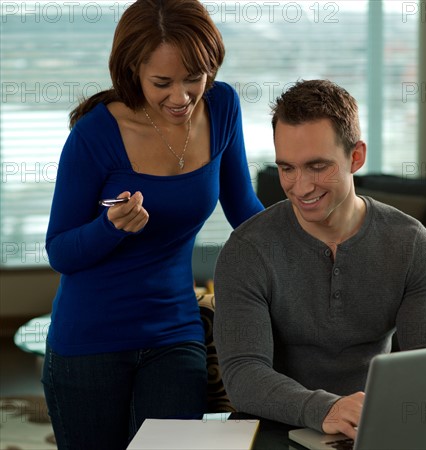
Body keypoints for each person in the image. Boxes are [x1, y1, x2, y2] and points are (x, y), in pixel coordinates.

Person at [42, 1, 264, 448]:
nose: (180, 98)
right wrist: (110, 227)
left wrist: (308, 240)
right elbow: (60, 251)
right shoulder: (94, 135)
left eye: (193, 79)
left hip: (175, 331)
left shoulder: (221, 108)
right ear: (133, 69)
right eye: (162, 83)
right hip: (89, 340)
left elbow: (243, 207)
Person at [213, 79, 426, 439]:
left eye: (317, 166)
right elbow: (244, 375)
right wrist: (326, 409)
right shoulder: (247, 249)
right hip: (274, 429)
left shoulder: (412, 245)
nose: (301, 187)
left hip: (370, 430)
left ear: (356, 157)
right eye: (287, 168)